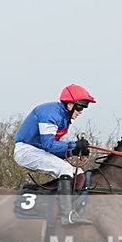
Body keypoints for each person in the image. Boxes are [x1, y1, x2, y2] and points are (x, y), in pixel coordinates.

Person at [14, 84, 95, 226]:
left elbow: (53, 148)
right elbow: (49, 145)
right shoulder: (51, 114)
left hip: (38, 150)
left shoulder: (63, 117)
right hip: (26, 150)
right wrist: (74, 146)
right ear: (70, 104)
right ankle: (66, 215)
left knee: (79, 173)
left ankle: (69, 209)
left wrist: (75, 151)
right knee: (65, 170)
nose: (81, 111)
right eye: (80, 107)